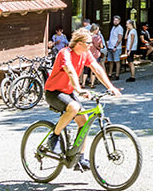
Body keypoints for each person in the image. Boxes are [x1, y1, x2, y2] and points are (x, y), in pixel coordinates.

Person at [41, 28, 121, 168]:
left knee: (83, 121)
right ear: (79, 43)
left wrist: (110, 87)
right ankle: (54, 136)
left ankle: (79, 158)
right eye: (89, 42)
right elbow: (70, 71)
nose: (91, 44)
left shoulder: (85, 53)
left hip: (68, 92)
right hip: (54, 92)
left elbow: (96, 68)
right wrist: (79, 89)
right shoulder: (64, 53)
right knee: (74, 107)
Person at [123, 17, 139, 81]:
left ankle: (133, 76)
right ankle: (132, 75)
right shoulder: (130, 31)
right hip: (130, 48)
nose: (126, 25)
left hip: (131, 48)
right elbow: (125, 38)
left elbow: (132, 41)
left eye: (127, 24)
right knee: (129, 62)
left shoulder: (133, 31)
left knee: (130, 61)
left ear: (130, 24)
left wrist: (129, 50)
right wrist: (127, 30)